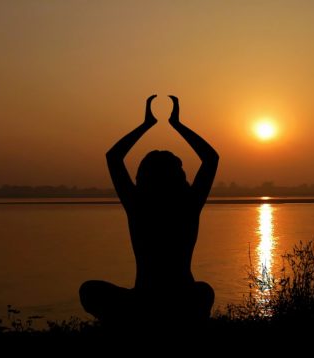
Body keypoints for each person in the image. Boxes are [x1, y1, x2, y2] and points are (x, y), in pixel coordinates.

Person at [79, 95, 219, 326]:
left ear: (143, 177)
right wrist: (177, 125)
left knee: (89, 289)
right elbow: (211, 158)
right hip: (176, 300)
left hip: (144, 301)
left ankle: (134, 324)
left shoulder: (138, 205)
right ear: (179, 177)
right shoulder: (188, 205)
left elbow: (113, 157)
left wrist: (146, 124)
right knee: (203, 291)